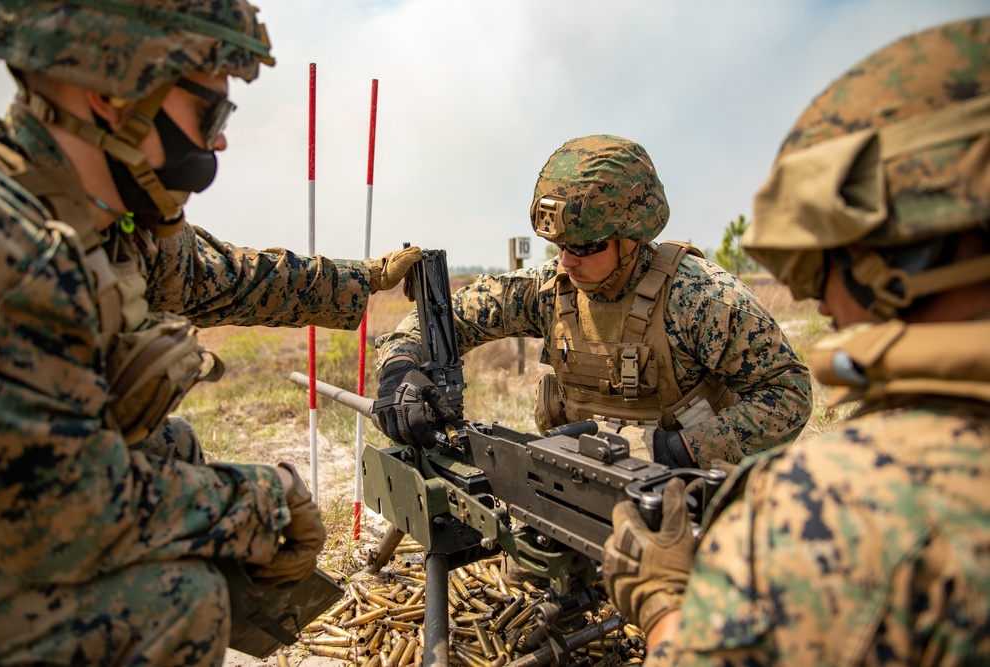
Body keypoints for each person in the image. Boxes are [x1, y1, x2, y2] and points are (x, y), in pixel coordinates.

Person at [0, 1, 419, 664]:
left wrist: (366, 277)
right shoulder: (15, 249)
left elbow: (233, 277)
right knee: (178, 600)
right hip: (30, 527)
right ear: (111, 94)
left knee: (173, 447)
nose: (218, 142)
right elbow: (64, 515)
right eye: (209, 114)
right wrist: (264, 501)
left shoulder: (112, 223)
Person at [602, 16, 990, 666]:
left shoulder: (837, 510)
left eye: (824, 263)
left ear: (913, 256)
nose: (813, 297)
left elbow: (785, 394)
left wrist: (665, 606)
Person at [374, 134, 811, 469]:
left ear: (631, 239)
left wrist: (676, 450)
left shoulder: (700, 298)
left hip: (688, 487)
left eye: (584, 247)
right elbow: (451, 319)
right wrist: (399, 369)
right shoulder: (550, 288)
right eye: (560, 245)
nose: (566, 261)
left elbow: (788, 394)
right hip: (581, 483)